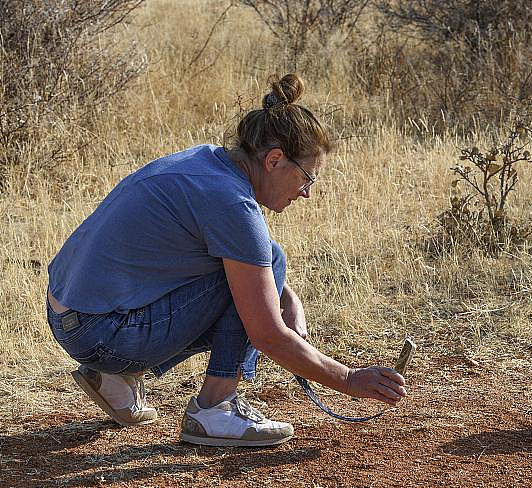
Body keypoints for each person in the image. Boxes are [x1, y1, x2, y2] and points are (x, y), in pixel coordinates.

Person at [46, 73, 407, 447]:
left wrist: (287, 296)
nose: (306, 194)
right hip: (100, 333)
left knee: (269, 259)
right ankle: (215, 408)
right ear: (274, 160)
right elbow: (266, 333)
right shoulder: (233, 205)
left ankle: (117, 377)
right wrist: (348, 379)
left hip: (70, 315)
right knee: (264, 266)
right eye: (307, 179)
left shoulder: (208, 163)